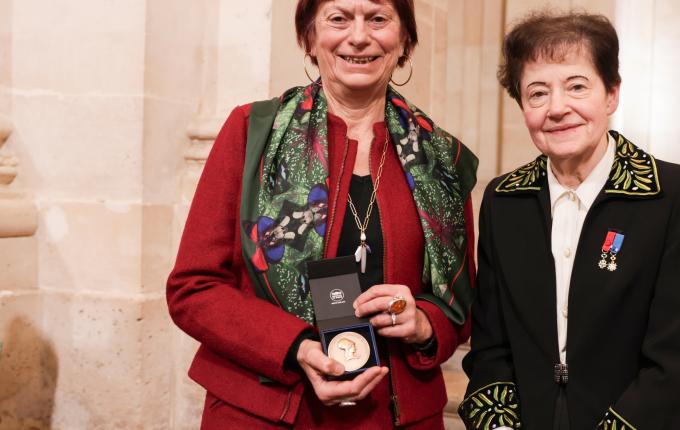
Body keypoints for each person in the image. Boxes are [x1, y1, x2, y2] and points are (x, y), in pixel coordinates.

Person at [166, 0, 478, 428]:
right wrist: (296, 346)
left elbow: (459, 303)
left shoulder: (441, 159)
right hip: (268, 408)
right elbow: (194, 288)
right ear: (309, 37)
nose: (359, 36)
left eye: (379, 19)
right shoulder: (251, 132)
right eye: (338, 18)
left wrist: (423, 321)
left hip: (392, 413)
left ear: (404, 39)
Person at [460, 10, 680, 430]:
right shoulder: (504, 200)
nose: (557, 108)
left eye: (577, 86)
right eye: (537, 93)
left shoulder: (675, 195)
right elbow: (491, 345)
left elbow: (678, 360)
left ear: (611, 94)